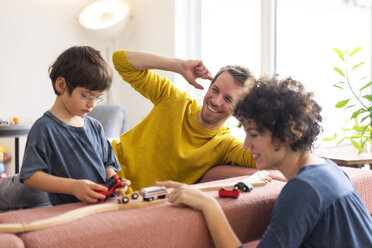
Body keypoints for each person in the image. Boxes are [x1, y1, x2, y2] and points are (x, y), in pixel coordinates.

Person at [157, 75, 372, 248]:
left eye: (254, 134)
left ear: (285, 134)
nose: (245, 145)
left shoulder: (304, 190)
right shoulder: (327, 168)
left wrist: (208, 204)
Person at [0, 46, 130, 210]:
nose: (92, 104)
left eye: (97, 98)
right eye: (85, 96)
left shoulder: (95, 127)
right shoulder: (45, 128)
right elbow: (31, 176)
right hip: (68, 210)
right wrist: (74, 187)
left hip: (100, 206)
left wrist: (115, 183)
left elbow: (107, 165)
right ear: (61, 85)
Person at [111, 49, 256, 190]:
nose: (216, 101)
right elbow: (121, 61)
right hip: (103, 164)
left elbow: (268, 154)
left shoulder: (225, 146)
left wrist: (250, 115)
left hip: (124, 195)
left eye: (228, 99)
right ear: (209, 86)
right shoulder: (174, 100)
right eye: (215, 90)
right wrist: (179, 66)